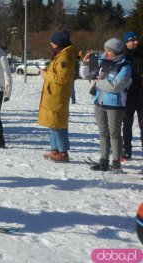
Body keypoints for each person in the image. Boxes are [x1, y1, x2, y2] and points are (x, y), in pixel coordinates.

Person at [80, 38, 132, 172]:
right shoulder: (104, 62)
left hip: (115, 105)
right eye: (105, 50)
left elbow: (116, 87)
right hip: (99, 102)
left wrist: (97, 82)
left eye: (109, 51)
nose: (106, 53)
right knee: (103, 133)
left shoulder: (125, 66)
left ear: (116, 52)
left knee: (114, 134)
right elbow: (87, 76)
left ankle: (116, 163)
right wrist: (85, 64)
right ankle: (103, 161)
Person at [38, 30, 77, 163]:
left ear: (59, 43)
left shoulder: (64, 57)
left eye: (53, 42)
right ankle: (55, 149)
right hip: (53, 94)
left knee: (58, 123)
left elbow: (62, 78)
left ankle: (63, 152)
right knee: (52, 122)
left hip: (58, 95)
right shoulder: (60, 54)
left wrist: (45, 74)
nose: (51, 43)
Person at [122, 31, 143, 159]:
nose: (136, 41)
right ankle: (127, 149)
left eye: (137, 39)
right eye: (133, 40)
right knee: (127, 124)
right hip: (127, 96)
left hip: (142, 95)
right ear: (126, 42)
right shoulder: (122, 55)